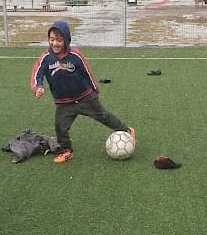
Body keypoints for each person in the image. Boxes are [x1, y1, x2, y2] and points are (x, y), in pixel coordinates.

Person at [31, 20, 135, 163]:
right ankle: (66, 150)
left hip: (85, 97)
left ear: (67, 40)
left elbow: (87, 72)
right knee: (60, 127)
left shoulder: (75, 55)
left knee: (104, 116)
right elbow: (37, 72)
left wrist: (95, 88)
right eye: (52, 39)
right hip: (64, 103)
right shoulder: (46, 58)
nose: (55, 43)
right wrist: (38, 87)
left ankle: (126, 131)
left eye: (59, 40)